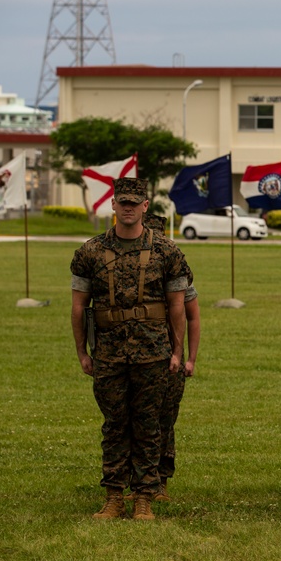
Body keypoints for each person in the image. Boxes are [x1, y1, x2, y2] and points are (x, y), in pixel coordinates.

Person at [70, 178, 189, 521]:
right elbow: (78, 308)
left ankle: (144, 497)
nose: (128, 207)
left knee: (149, 424)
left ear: (145, 206)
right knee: (114, 424)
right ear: (113, 204)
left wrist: (177, 352)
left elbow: (178, 307)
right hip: (108, 353)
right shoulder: (89, 252)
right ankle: (113, 496)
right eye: (123, 201)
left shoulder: (167, 251)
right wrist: (82, 352)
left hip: (153, 352)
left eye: (134, 202)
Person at [142, 213, 200, 503]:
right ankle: (139, 481)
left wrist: (190, 358)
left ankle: (161, 482)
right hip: (139, 355)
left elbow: (193, 316)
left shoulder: (175, 265)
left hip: (168, 358)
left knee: (164, 421)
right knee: (137, 420)